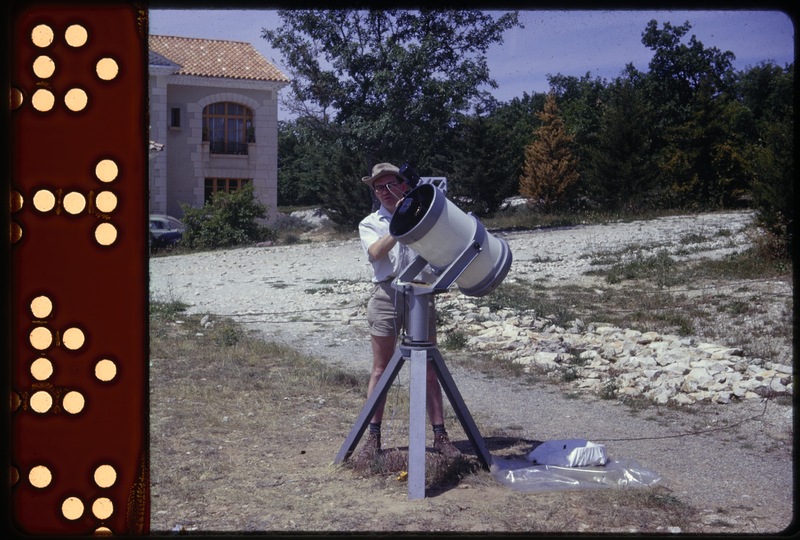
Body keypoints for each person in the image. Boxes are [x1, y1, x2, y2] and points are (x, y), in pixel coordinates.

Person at [356, 162, 460, 460]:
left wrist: (415, 213)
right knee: (380, 369)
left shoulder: (424, 215)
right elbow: (376, 253)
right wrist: (400, 221)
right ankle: (372, 437)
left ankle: (440, 435)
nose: (385, 191)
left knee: (428, 368)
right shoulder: (370, 222)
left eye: (391, 184)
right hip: (387, 293)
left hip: (419, 292)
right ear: (374, 192)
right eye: (379, 187)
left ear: (404, 185)